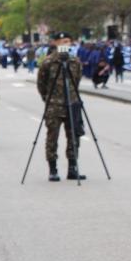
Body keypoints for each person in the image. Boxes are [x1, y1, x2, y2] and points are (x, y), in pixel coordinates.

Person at [37, 32, 86, 182]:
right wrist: (48, 98)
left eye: (68, 42)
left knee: (74, 137)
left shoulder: (75, 62)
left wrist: (72, 97)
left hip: (72, 104)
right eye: (63, 41)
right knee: (52, 137)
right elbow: (41, 84)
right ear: (56, 43)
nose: (66, 44)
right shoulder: (48, 62)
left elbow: (76, 81)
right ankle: (53, 169)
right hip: (54, 106)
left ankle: (73, 168)